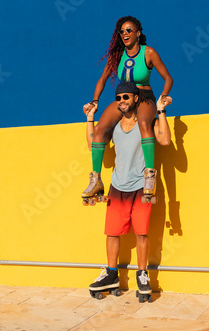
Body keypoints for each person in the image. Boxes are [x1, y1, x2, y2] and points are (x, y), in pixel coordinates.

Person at [85, 81, 172, 296]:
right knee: (112, 233)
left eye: (126, 97)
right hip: (117, 186)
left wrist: (160, 110)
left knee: (142, 233)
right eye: (118, 98)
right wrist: (90, 117)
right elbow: (92, 143)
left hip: (142, 186)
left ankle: (142, 274)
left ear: (135, 98)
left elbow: (165, 140)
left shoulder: (145, 124)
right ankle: (112, 274)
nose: (122, 101)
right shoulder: (113, 126)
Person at [82, 16, 173, 202]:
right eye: (122, 31)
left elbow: (168, 78)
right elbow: (102, 79)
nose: (125, 34)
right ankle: (96, 179)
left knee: (144, 124)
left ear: (138, 33)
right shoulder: (118, 55)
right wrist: (95, 101)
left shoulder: (148, 53)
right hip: (125, 99)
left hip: (144, 97)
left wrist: (163, 96)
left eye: (129, 30)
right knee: (99, 130)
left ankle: (149, 175)